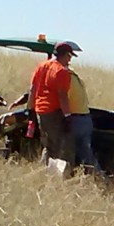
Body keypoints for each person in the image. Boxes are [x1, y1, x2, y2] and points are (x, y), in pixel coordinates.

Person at [27, 41, 80, 170]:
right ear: (65, 55)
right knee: (63, 147)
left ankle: (43, 172)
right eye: (69, 56)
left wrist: (31, 109)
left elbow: (32, 89)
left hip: (41, 111)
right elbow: (62, 96)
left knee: (48, 145)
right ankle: (60, 175)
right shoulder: (61, 71)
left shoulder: (42, 66)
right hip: (54, 112)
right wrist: (68, 117)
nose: (70, 59)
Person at [65, 58, 102, 176]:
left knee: (66, 151)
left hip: (75, 119)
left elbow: (64, 99)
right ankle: (100, 177)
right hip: (85, 118)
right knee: (86, 153)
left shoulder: (66, 78)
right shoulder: (76, 78)